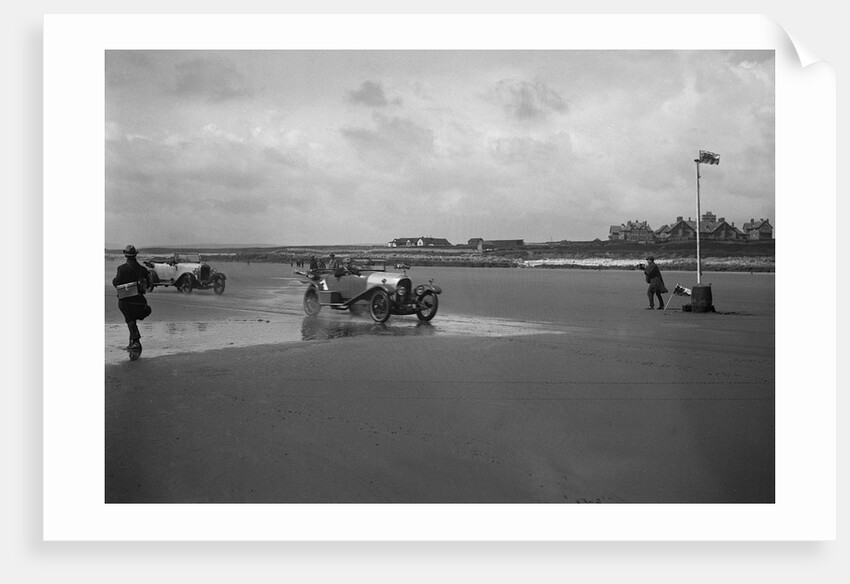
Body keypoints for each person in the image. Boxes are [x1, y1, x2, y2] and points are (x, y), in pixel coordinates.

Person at [112, 245, 153, 350]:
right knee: (132, 319)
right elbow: (148, 285)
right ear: (135, 255)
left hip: (126, 300)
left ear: (125, 255)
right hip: (140, 301)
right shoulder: (142, 269)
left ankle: (135, 342)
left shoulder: (121, 268)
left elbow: (116, 282)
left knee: (130, 319)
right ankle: (133, 341)